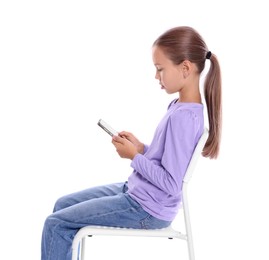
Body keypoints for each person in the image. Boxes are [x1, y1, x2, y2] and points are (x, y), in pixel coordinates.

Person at [41, 25, 222, 260]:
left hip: (147, 208)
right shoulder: (179, 108)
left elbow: (171, 183)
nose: (156, 76)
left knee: (55, 224)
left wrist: (134, 158)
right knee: (61, 205)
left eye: (160, 69)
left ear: (185, 68)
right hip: (139, 191)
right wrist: (141, 149)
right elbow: (165, 160)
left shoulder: (184, 119)